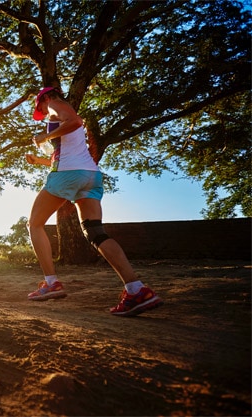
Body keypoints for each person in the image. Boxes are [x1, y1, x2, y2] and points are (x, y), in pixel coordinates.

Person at [25, 86, 163, 317]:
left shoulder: (54, 104)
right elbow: (64, 155)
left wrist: (44, 136)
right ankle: (136, 290)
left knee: (35, 224)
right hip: (90, 176)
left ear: (45, 98)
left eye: (40, 107)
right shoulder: (62, 117)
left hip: (69, 174)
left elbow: (76, 121)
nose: (42, 112)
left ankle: (51, 283)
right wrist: (39, 161)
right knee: (95, 232)